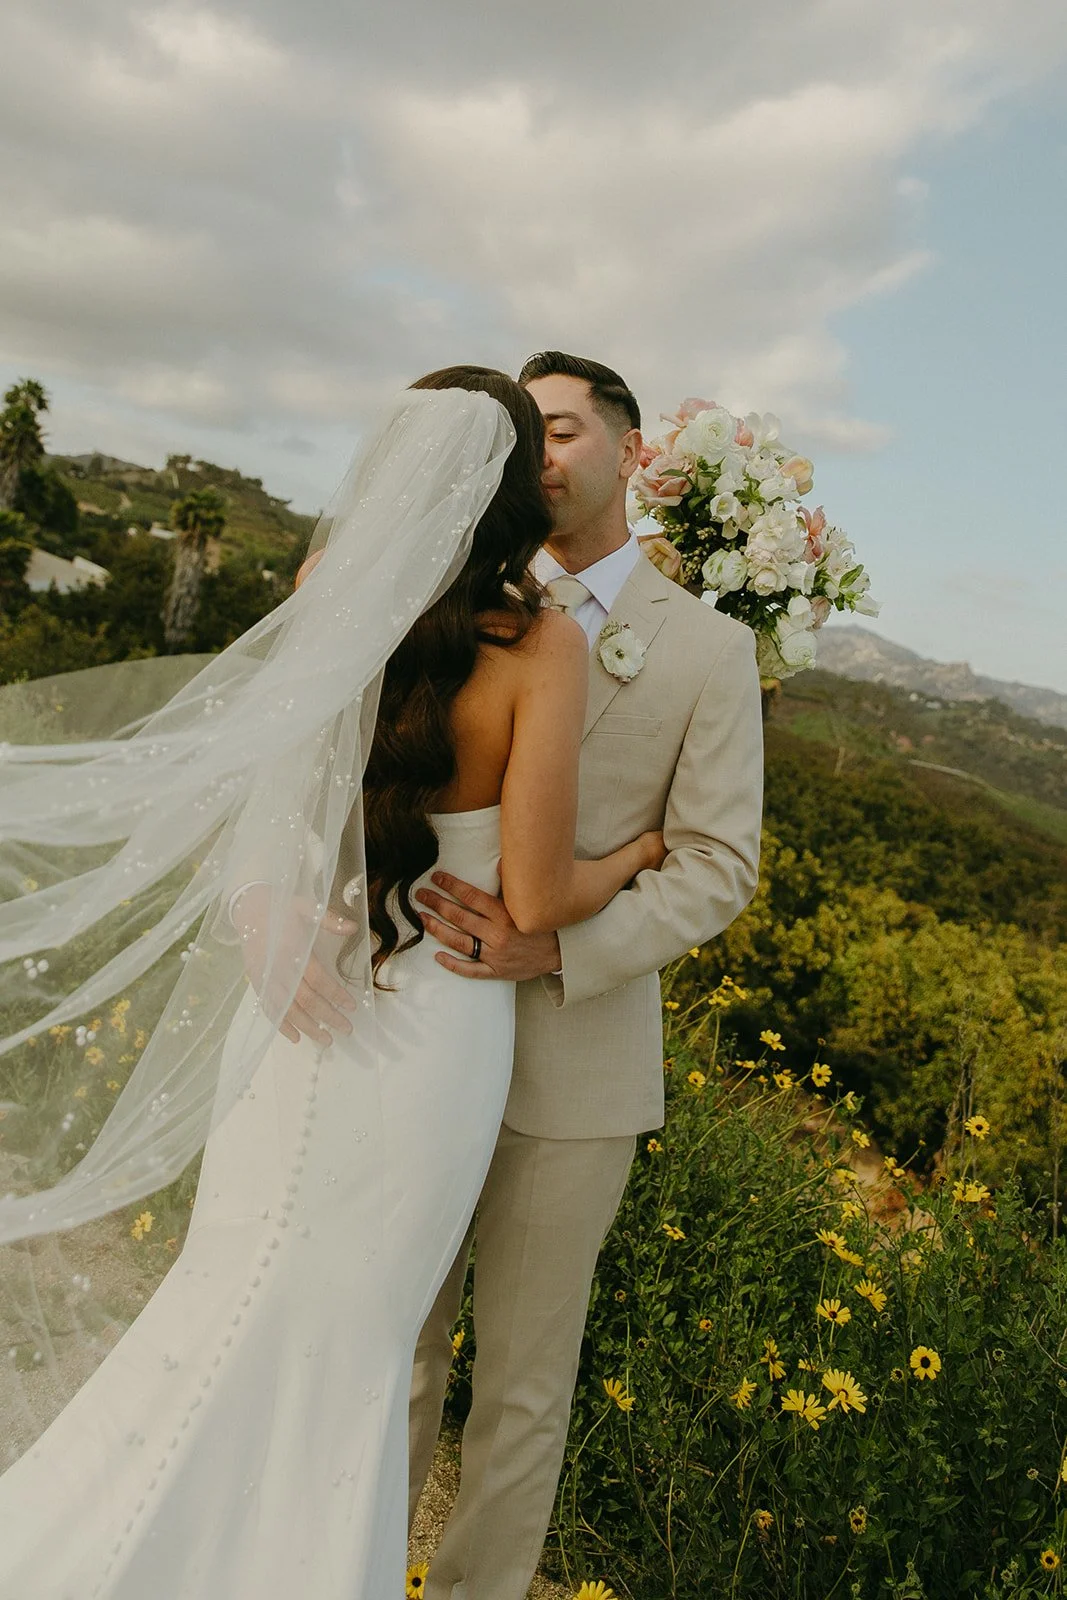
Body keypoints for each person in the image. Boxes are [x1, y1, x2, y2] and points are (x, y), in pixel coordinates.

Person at [0, 367, 661, 1598]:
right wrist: (631, 854)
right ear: (516, 487)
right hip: (432, 1038)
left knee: (227, 1295)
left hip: (300, 1003)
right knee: (348, 1347)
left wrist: (264, 905)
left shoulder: (328, 592)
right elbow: (529, 894)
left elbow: (262, 798)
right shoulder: (543, 643)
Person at [405, 353, 765, 1600]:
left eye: (563, 428)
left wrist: (557, 943)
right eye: (525, 434)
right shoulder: (454, 608)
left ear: (628, 449)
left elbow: (717, 864)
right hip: (415, 1035)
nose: (541, 454)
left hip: (578, 1069)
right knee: (393, 1343)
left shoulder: (707, 652)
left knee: (519, 1384)